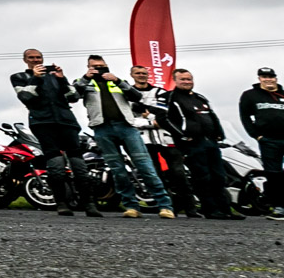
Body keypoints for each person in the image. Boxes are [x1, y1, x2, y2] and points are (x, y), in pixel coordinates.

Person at [73, 54, 174, 218]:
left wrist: (117, 81)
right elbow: (72, 97)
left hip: (126, 126)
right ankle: (131, 207)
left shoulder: (118, 81)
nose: (99, 69)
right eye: (95, 66)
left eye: (102, 66)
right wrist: (86, 78)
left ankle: (165, 205)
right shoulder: (84, 82)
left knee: (145, 166)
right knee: (117, 170)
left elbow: (136, 96)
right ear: (89, 67)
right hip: (102, 128)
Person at [10, 49, 95, 217]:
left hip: (67, 122)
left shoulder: (55, 76)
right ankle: (61, 203)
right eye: (32, 58)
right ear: (25, 60)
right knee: (55, 164)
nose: (36, 60)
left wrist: (62, 79)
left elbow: (73, 97)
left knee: (79, 165)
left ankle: (89, 204)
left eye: (38, 57)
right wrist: (36, 77)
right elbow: (26, 97)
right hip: (43, 122)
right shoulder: (19, 77)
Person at [159, 68, 242, 220]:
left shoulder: (200, 97)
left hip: (210, 142)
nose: (186, 82)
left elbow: (211, 115)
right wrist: (182, 135)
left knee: (219, 176)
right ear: (175, 81)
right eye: (182, 79)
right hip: (192, 144)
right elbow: (162, 118)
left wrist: (219, 133)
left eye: (189, 79)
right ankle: (210, 209)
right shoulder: (169, 97)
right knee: (203, 177)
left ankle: (225, 209)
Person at [127, 65, 196, 217]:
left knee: (178, 173)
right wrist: (152, 121)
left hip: (166, 138)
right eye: (138, 73)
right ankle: (167, 207)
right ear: (132, 75)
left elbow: (166, 113)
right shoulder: (127, 93)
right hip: (144, 140)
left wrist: (148, 114)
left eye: (144, 73)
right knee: (154, 174)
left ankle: (190, 208)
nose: (141, 75)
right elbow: (130, 119)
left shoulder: (160, 92)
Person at [239, 66, 284, 220]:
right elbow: (245, 117)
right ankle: (279, 207)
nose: (268, 80)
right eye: (264, 77)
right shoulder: (250, 96)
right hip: (269, 140)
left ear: (276, 78)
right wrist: (256, 135)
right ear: (259, 79)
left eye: (270, 77)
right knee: (274, 174)